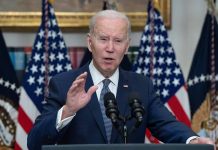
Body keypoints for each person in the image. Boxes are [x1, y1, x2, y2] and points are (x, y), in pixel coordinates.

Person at [27, 9, 214, 150]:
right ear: (90, 42)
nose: (110, 48)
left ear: (126, 47)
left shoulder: (141, 86)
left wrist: (194, 140)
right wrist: (68, 110)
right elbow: (34, 142)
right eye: (103, 39)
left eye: (118, 41)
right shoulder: (65, 84)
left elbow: (166, 124)